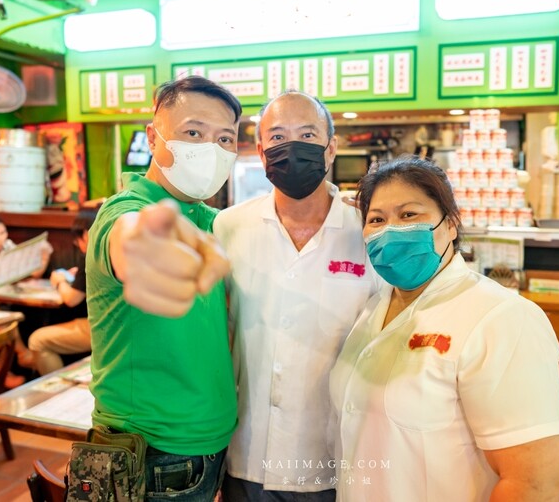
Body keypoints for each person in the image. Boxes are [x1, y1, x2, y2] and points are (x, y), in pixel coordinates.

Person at [329, 156, 559, 502]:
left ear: (451, 224)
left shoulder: (501, 317)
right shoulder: (372, 307)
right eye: (376, 219)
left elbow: (537, 483)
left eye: (409, 215)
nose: (390, 230)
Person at [214, 91, 380, 501]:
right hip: (245, 455)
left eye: (308, 134)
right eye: (277, 136)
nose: (293, 147)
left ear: (331, 148)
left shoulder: (369, 231)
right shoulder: (229, 227)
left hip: (335, 458)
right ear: (259, 151)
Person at [86, 76, 239, 501]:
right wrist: (146, 249)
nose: (212, 148)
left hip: (212, 443)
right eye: (194, 132)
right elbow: (132, 237)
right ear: (154, 138)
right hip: (150, 451)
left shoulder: (212, 220)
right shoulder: (126, 211)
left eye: (225, 138)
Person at [27, 206, 99, 375]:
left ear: (86, 234)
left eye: (78, 238)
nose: (77, 243)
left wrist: (59, 281)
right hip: (127, 324)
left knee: (37, 341)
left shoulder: (90, 254)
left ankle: (56, 393)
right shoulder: (112, 248)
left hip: (101, 327)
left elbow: (71, 299)